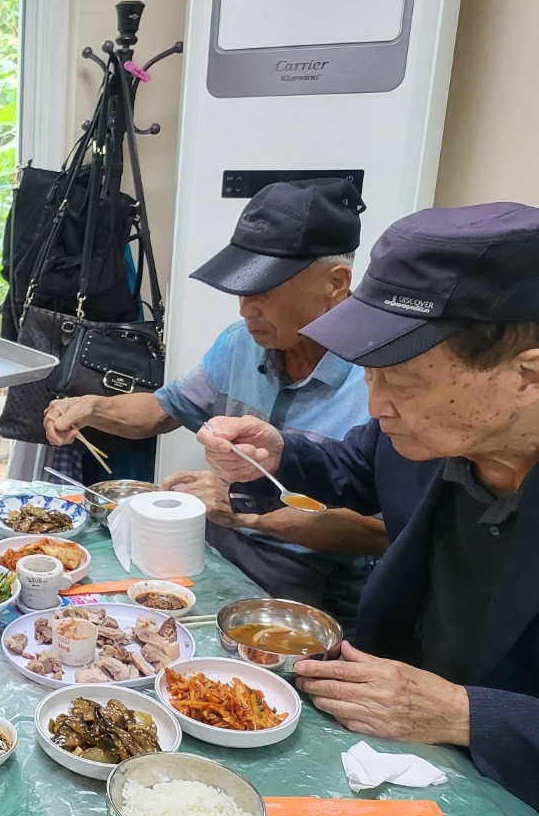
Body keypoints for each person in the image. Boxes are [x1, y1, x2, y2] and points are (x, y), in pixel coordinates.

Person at [198, 202, 539, 811]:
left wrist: (468, 715)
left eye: (402, 385)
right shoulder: (433, 433)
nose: (375, 405)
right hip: (387, 733)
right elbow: (360, 465)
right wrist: (276, 455)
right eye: (369, 376)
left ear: (527, 376)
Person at [44, 180, 388, 630]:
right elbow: (163, 410)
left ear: (335, 283)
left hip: (308, 590)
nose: (245, 309)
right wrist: (91, 408)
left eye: (264, 291)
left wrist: (242, 509)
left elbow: (380, 535)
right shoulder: (239, 344)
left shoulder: (381, 381)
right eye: (240, 289)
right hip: (214, 550)